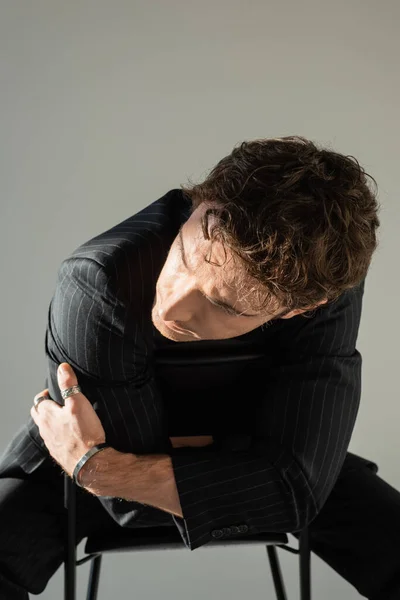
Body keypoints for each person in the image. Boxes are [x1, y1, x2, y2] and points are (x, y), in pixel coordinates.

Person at [0, 135, 398, 599]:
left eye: (221, 304)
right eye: (185, 259)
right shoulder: (97, 279)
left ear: (297, 310)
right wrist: (97, 476)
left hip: (103, 457)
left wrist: (99, 466)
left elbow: (295, 495)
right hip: (77, 471)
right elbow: (127, 507)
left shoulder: (320, 291)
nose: (172, 306)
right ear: (200, 202)